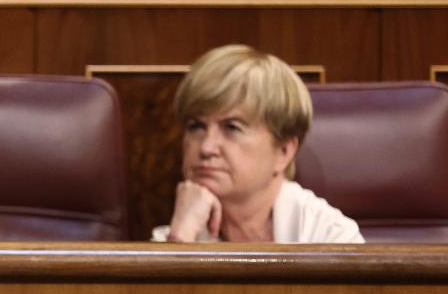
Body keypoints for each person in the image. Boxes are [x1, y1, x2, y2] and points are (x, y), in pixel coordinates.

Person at [152, 44, 363, 244]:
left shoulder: (330, 236)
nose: (207, 147)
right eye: (196, 126)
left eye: (232, 128)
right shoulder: (176, 233)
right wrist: (181, 236)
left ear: (283, 152)